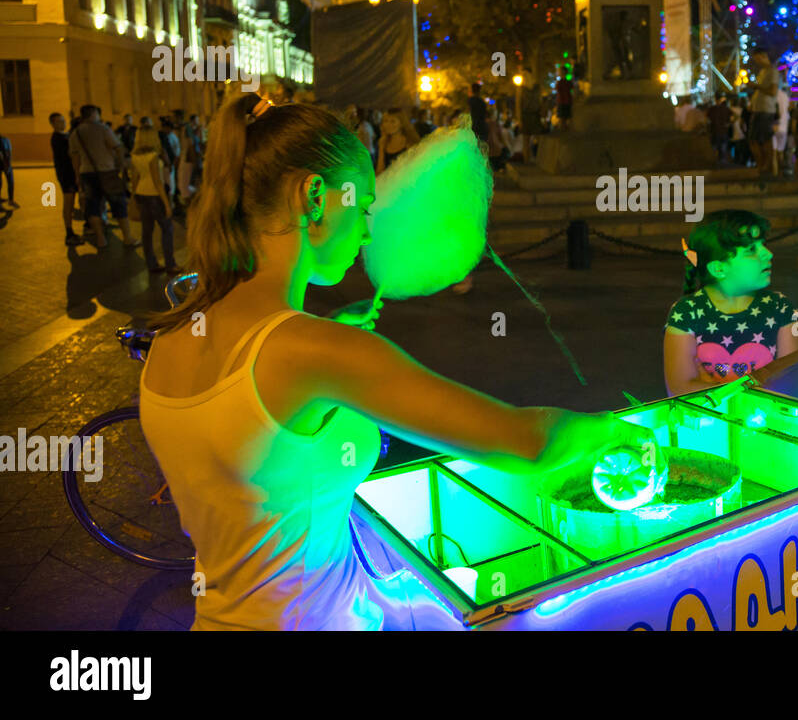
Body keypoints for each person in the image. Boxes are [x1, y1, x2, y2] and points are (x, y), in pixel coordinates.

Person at [137, 91, 649, 630]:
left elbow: (243, 444)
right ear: (314, 196)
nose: (365, 231)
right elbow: (526, 441)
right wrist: (613, 431)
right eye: (361, 207)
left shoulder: (169, 339)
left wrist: (331, 345)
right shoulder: (320, 354)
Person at [663, 210, 798, 396]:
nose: (768, 254)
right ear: (718, 268)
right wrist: (760, 388)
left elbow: (794, 382)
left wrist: (712, 387)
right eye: (751, 250)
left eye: (763, 245)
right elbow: (680, 389)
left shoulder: (782, 308)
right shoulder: (686, 313)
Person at [68, 104, 138, 249]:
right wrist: (120, 165)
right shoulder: (103, 129)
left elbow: (75, 157)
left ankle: (101, 239)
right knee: (118, 204)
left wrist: (77, 175)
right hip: (107, 172)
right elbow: (118, 147)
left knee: (92, 206)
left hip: (86, 173)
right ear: (94, 114)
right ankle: (127, 237)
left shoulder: (76, 133)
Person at [127, 119, 179, 275]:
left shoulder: (135, 156)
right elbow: (157, 182)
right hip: (155, 196)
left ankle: (151, 263)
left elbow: (134, 179)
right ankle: (170, 264)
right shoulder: (153, 156)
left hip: (141, 195)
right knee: (167, 229)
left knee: (147, 231)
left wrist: (132, 197)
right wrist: (167, 203)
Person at [747, 50, 779, 181]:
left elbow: (772, 91)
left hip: (766, 110)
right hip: (758, 110)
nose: (757, 62)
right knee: (754, 139)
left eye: (758, 59)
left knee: (764, 139)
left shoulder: (773, 72)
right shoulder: (762, 72)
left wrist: (756, 86)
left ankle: (766, 166)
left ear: (764, 56)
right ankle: (762, 165)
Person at [49, 112, 81, 244]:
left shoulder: (66, 135)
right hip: (66, 175)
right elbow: (70, 154)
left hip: (71, 173)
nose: (62, 123)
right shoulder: (57, 138)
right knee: (68, 203)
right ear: (52, 124)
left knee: (73, 202)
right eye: (58, 121)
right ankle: (69, 233)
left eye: (63, 120)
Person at [376, 108, 420, 174]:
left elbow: (415, 170)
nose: (388, 124)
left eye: (392, 121)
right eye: (385, 121)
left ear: (401, 123)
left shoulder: (409, 142)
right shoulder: (383, 142)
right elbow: (379, 171)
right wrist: (381, 147)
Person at [707, 92, 731, 164]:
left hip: (714, 130)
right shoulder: (726, 109)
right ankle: (722, 160)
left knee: (715, 147)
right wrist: (728, 124)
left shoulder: (712, 109)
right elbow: (734, 117)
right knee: (723, 147)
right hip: (723, 130)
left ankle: (716, 160)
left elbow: (707, 120)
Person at [728, 94, 748, 165]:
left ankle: (735, 160)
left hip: (734, 130)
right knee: (741, 147)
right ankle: (741, 160)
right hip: (741, 130)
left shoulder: (730, 109)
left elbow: (730, 120)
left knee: (735, 146)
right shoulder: (742, 110)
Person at [0, 130, 13, 206]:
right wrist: (8, 165)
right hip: (6, 163)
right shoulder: (6, 140)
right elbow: (8, 153)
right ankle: (10, 200)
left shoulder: (5, 140)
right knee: (10, 182)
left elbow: (7, 153)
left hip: (5, 163)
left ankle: (10, 200)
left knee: (9, 182)